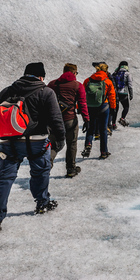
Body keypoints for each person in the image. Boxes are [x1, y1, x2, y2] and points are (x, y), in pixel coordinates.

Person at [0, 62, 65, 229]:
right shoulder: (46, 92)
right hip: (38, 141)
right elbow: (55, 119)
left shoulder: (9, 90)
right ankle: (42, 203)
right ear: (41, 76)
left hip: (10, 141)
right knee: (40, 172)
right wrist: (60, 139)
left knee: (5, 178)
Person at [48, 63, 89, 178]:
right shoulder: (77, 85)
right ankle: (71, 168)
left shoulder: (52, 84)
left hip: (54, 120)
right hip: (70, 119)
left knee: (54, 144)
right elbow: (82, 103)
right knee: (71, 144)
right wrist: (86, 119)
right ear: (74, 72)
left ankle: (47, 165)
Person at [83, 63, 116, 160]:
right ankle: (104, 152)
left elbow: (83, 95)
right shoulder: (107, 81)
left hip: (90, 107)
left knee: (90, 128)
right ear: (106, 71)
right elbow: (112, 96)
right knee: (103, 130)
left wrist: (81, 108)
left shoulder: (87, 80)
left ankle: (88, 144)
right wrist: (113, 108)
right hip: (103, 107)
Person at [111, 61, 134, 127]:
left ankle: (113, 123)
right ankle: (122, 118)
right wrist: (131, 94)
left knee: (115, 108)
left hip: (115, 93)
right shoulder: (127, 74)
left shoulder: (115, 73)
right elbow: (130, 85)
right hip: (124, 93)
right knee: (126, 106)